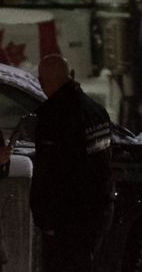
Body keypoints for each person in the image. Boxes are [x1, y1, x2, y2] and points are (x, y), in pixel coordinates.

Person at [30, 55, 114, 272]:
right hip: (97, 213)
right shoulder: (96, 111)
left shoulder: (54, 118)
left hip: (68, 221)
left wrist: (45, 219)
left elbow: (49, 173)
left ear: (41, 81)